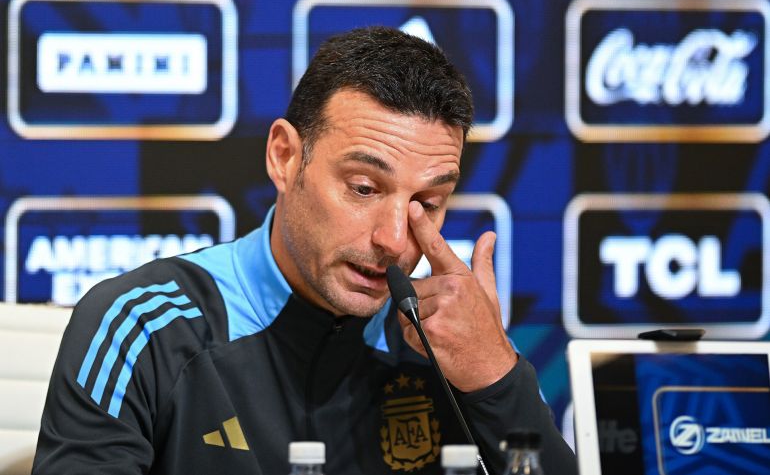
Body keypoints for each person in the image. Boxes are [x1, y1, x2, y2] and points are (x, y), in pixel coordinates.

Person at [33, 26, 577, 475]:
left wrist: (494, 376)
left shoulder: (450, 346)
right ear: (284, 157)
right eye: (363, 188)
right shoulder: (141, 326)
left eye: (427, 203)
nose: (394, 240)